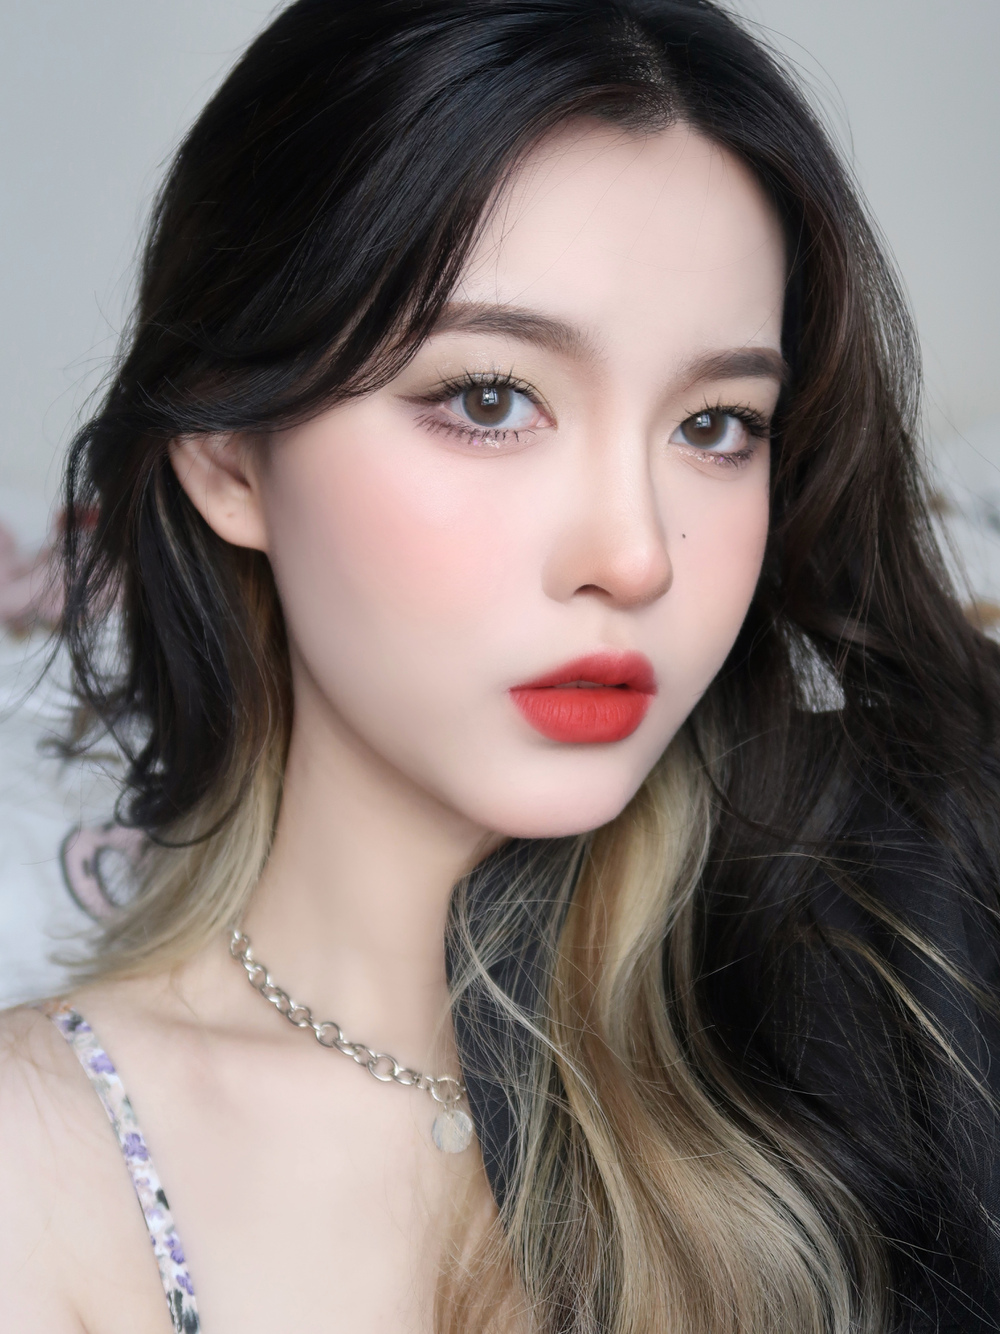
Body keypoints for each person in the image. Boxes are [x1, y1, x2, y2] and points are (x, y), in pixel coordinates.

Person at [3, 1, 999, 1330]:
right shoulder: (44, 1167)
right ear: (230, 455)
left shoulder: (888, 993)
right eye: (490, 399)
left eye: (716, 424)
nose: (633, 556)